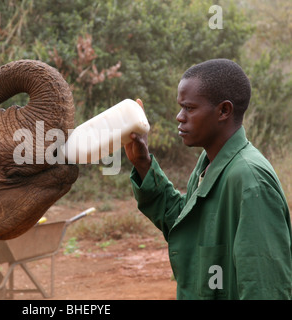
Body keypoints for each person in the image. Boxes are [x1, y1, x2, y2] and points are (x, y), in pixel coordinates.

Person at [125, 59, 292, 299]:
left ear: (224, 111)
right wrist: (143, 164)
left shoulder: (250, 180)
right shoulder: (210, 162)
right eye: (180, 107)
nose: (179, 117)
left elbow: (264, 287)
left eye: (189, 108)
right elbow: (186, 225)